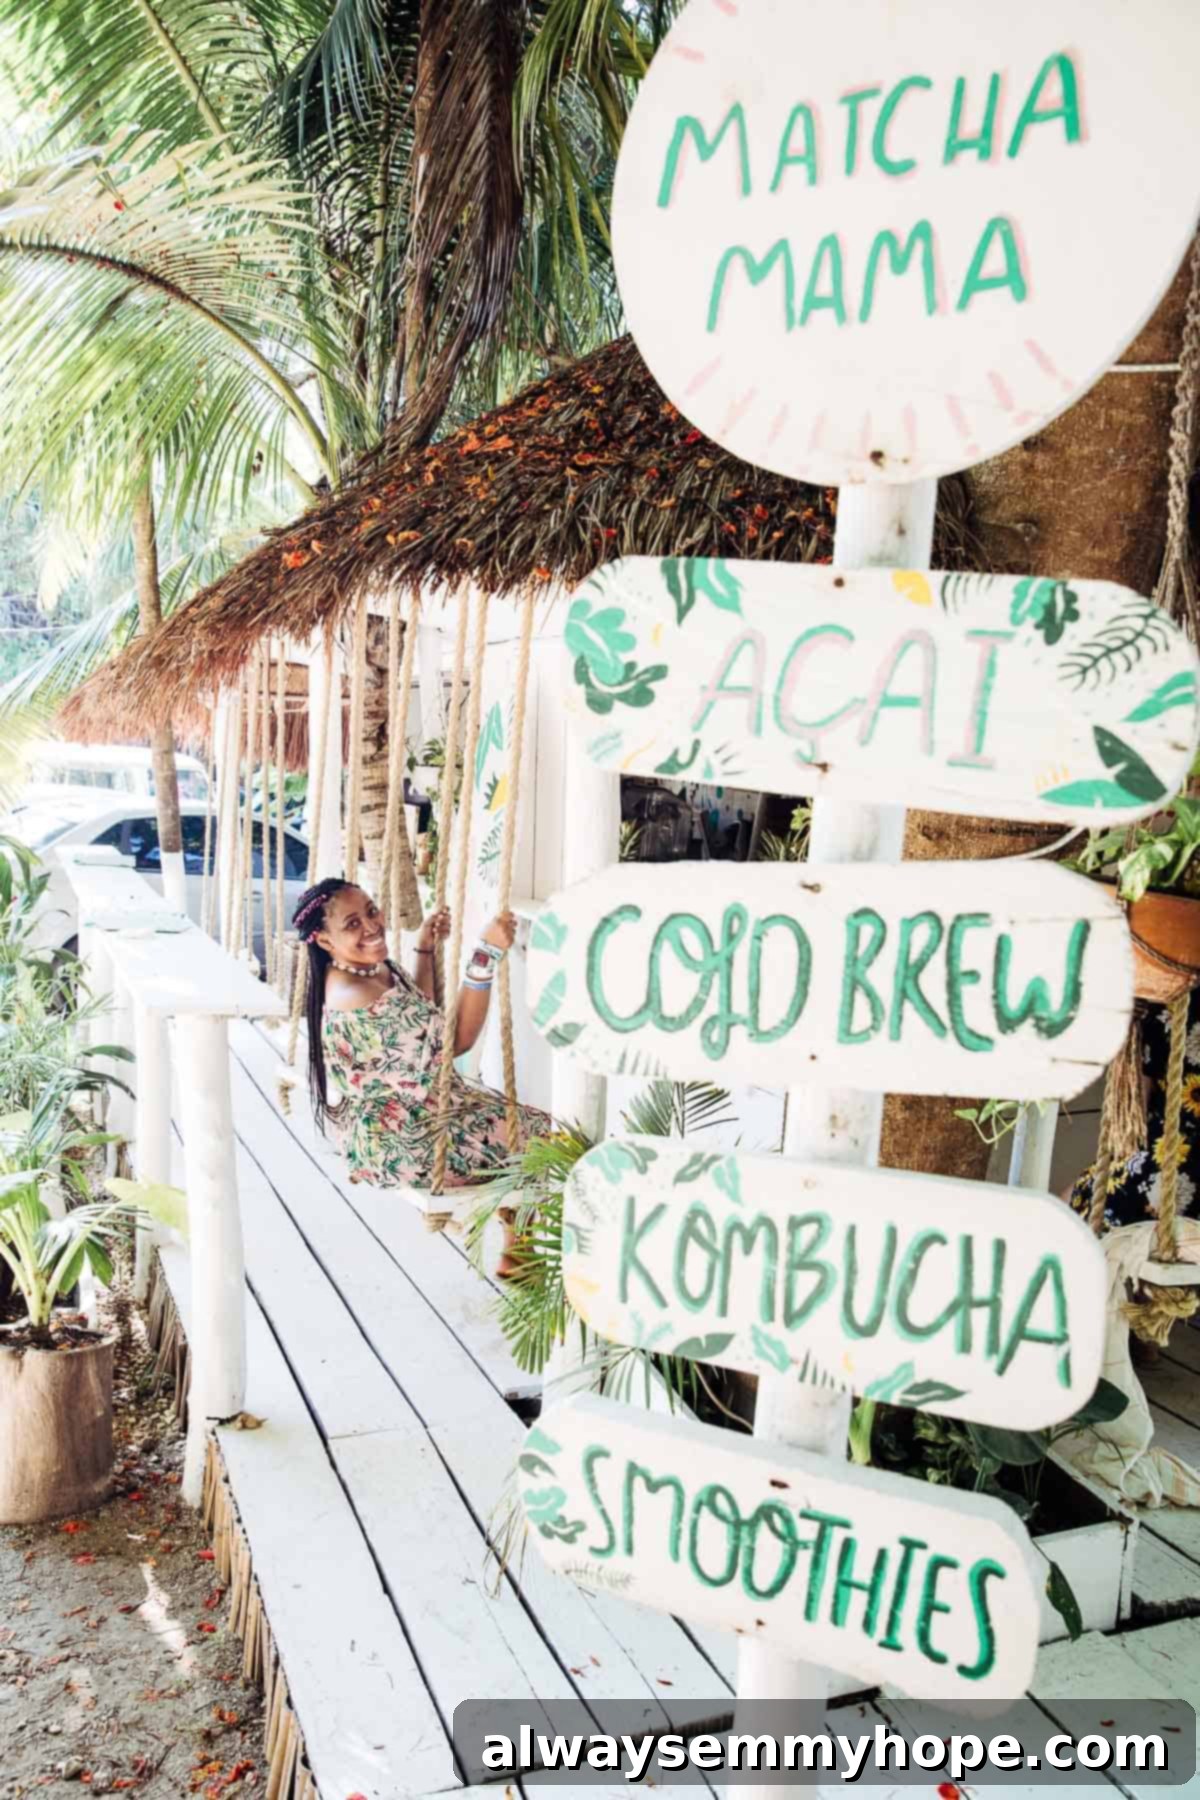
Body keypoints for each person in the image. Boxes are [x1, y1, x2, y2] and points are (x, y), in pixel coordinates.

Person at [292, 879, 550, 1264]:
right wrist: (485, 953)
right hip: (404, 1140)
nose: (371, 926)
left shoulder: (368, 971)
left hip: (411, 1112)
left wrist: (425, 948)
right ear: (325, 942)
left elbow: (422, 1015)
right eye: (352, 924)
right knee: (542, 1136)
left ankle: (517, 1245)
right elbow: (456, 1041)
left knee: (526, 1126)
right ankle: (519, 1243)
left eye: (371, 910)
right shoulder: (356, 997)